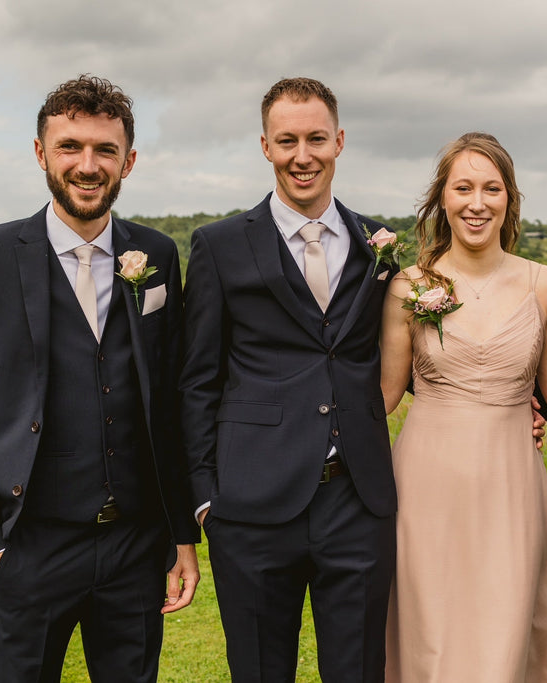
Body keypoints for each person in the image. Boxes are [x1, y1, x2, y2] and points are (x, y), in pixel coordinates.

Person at [0, 75, 200, 683]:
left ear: (129, 161)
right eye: (70, 146)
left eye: (105, 150)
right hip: (29, 548)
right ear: (41, 153)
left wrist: (180, 534)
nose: (88, 165)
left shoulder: (156, 256)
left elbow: (171, 408)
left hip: (135, 547)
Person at [179, 77, 399, 682]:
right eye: (287, 141)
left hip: (357, 501)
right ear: (266, 147)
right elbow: (197, 381)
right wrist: (205, 499)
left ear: (339, 141)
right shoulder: (219, 245)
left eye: (316, 139)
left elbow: (403, 351)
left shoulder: (377, 243)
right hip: (250, 507)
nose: (303, 156)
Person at [379, 132, 547, 682]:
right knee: (431, 630)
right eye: (463, 187)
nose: (477, 202)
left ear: (509, 198)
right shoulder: (408, 287)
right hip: (426, 480)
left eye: (491, 188)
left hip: (511, 478)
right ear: (442, 198)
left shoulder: (545, 284)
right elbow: (384, 395)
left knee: (503, 624)